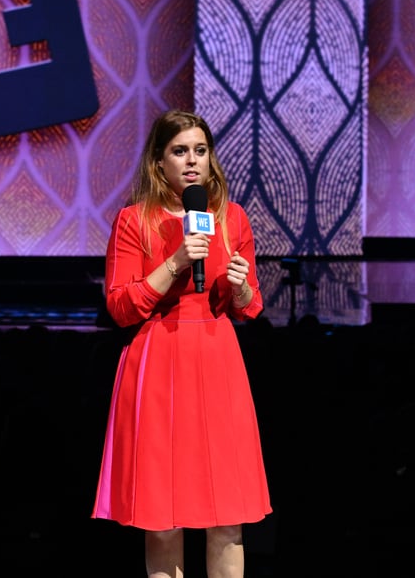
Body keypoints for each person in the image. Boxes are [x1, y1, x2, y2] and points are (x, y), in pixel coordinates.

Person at [92, 109, 272, 577]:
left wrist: (241, 288)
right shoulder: (135, 221)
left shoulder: (231, 218)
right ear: (159, 162)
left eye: (200, 150)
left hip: (217, 360)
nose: (192, 161)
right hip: (158, 363)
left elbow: (251, 307)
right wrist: (173, 263)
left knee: (228, 518)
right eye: (179, 151)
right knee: (164, 522)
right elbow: (121, 307)